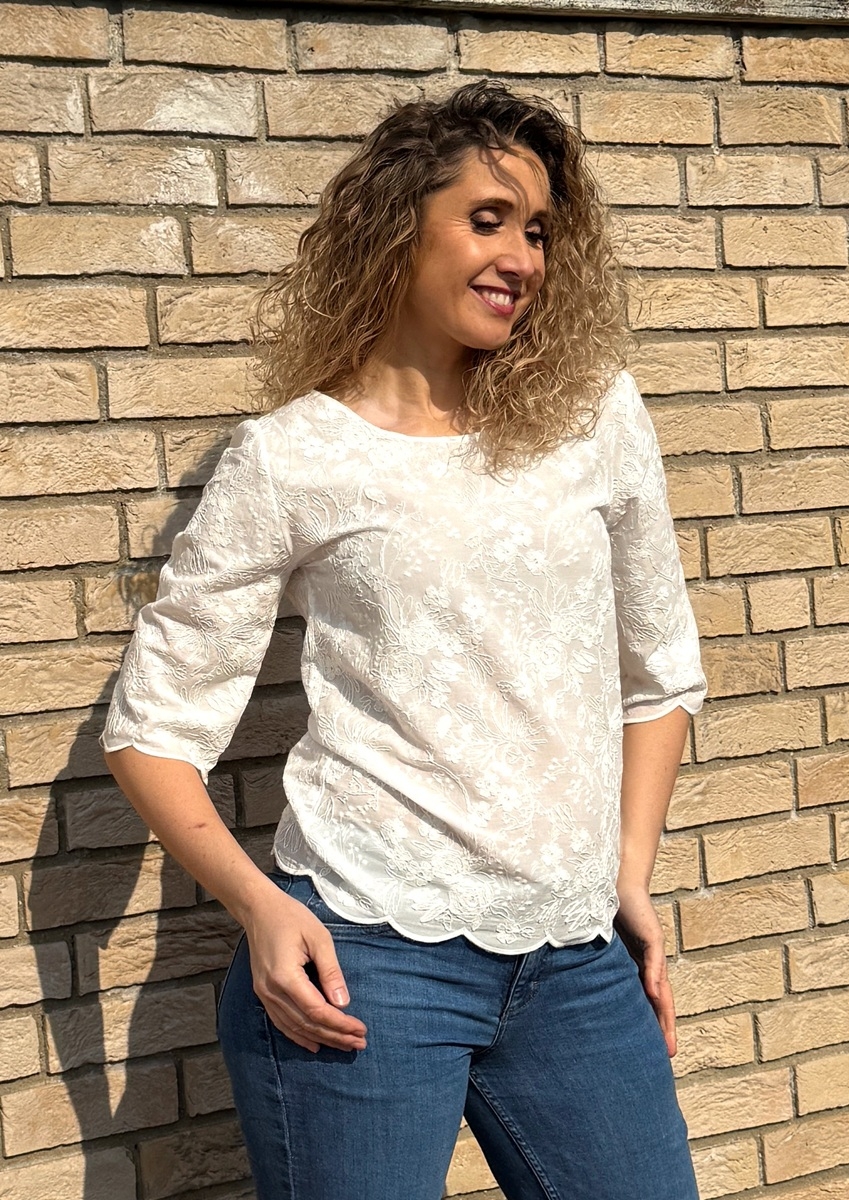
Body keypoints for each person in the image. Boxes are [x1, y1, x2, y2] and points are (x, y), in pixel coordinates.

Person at [102, 80, 707, 1200]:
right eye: (487, 219)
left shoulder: (594, 417)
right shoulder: (293, 457)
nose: (521, 258)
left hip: (575, 961)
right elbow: (153, 727)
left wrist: (626, 870)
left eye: (538, 231)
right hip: (364, 961)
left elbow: (661, 674)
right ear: (398, 227)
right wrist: (260, 908)